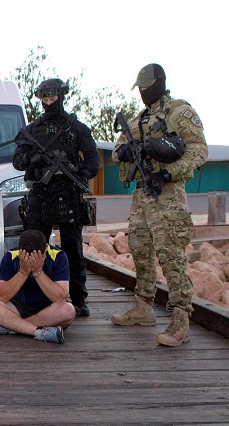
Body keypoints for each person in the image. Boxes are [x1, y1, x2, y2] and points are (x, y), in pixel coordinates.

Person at [111, 64, 208, 347]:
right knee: (140, 250)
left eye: (147, 87)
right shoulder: (139, 118)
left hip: (167, 193)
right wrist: (125, 152)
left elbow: (198, 150)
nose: (143, 93)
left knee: (171, 256)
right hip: (142, 196)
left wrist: (168, 172)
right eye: (139, 89)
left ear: (159, 83)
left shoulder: (179, 112)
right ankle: (143, 305)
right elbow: (118, 149)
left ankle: (181, 318)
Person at [13, 78, 100, 317]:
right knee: (33, 248)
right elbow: (17, 161)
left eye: (53, 97)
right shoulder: (31, 131)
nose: (49, 102)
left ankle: (79, 298)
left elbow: (94, 160)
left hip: (68, 194)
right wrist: (34, 160)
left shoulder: (77, 128)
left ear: (62, 96)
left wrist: (80, 172)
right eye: (45, 98)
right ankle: (33, 296)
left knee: (73, 249)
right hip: (40, 193)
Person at [0, 230, 74, 343]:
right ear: (20, 252)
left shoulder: (58, 256)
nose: (31, 260)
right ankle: (36, 331)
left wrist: (38, 271)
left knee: (68, 310)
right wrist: (23, 272)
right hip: (17, 307)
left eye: (36, 256)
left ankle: (12, 327)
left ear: (45, 251)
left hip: (47, 310)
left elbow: (61, 297)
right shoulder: (10, 256)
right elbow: (0, 296)